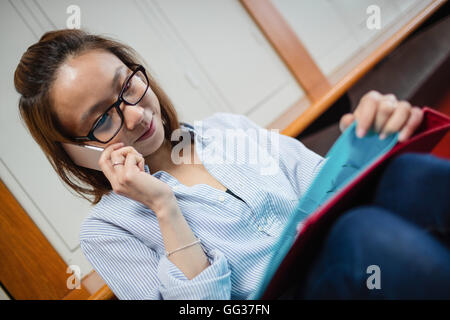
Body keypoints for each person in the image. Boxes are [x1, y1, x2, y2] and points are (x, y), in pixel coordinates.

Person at [14, 29, 445, 300]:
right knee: (361, 233)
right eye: (103, 118)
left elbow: (328, 190)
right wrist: (164, 208)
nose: (134, 114)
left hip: (342, 252)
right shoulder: (107, 231)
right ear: (74, 149)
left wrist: (368, 140)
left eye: (127, 84)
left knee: (404, 178)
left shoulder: (224, 129)